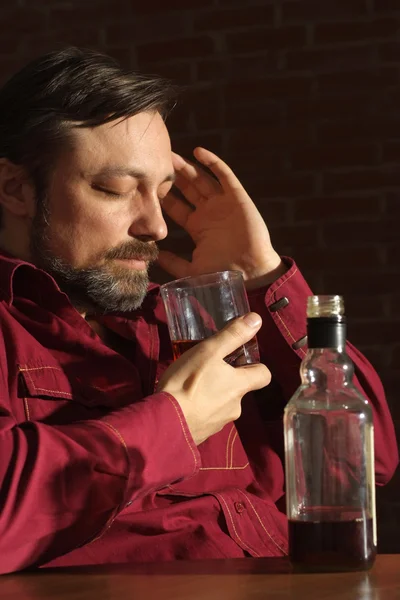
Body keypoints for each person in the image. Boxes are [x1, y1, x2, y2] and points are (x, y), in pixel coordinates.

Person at [0, 47, 396, 574]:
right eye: (115, 190)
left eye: (161, 192)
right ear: (15, 188)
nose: (156, 226)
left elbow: (364, 468)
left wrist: (261, 273)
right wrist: (174, 424)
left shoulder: (182, 320)